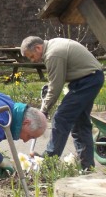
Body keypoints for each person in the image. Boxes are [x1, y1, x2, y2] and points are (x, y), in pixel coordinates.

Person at [20, 36, 104, 170]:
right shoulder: (53, 46)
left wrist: (43, 111)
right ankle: (87, 167)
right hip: (89, 78)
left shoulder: (53, 54)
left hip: (87, 81)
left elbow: (55, 87)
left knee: (61, 117)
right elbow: (55, 80)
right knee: (80, 124)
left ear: (38, 48)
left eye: (31, 56)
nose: (33, 60)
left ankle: (48, 161)